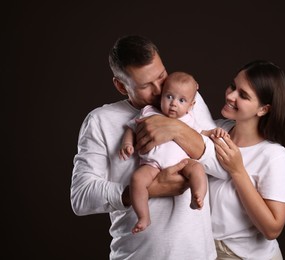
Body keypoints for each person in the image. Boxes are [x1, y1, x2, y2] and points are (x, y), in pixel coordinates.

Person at [70, 35, 217, 260]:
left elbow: (224, 166)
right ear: (121, 85)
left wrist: (177, 129)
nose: (159, 90)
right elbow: (80, 197)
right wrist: (147, 190)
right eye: (146, 85)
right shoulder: (100, 121)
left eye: (161, 76)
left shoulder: (186, 99)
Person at [199, 60, 285, 260]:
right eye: (233, 86)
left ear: (263, 110)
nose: (231, 95)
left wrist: (237, 171)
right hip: (204, 250)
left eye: (243, 95)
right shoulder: (214, 129)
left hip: (246, 256)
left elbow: (272, 229)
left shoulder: (273, 156)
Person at [119, 71, 208, 234]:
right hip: (152, 164)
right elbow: (131, 128)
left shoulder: (189, 118)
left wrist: (213, 133)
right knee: (137, 179)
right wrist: (127, 144)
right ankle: (144, 216)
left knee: (197, 169)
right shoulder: (148, 111)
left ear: (191, 105)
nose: (174, 104)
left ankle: (198, 196)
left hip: (183, 163)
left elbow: (201, 135)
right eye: (169, 97)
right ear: (161, 95)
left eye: (181, 100)